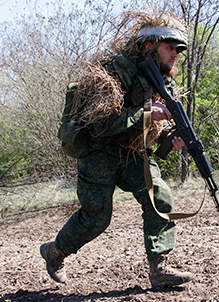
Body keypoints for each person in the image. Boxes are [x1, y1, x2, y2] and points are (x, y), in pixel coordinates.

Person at [41, 11, 193, 288]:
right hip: (99, 153)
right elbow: (99, 126)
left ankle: (159, 268)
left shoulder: (163, 82)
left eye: (178, 50)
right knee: (96, 219)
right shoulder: (112, 73)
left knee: (160, 197)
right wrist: (146, 113)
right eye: (169, 47)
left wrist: (170, 140)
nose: (175, 55)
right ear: (149, 46)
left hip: (133, 154)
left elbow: (152, 137)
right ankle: (55, 252)